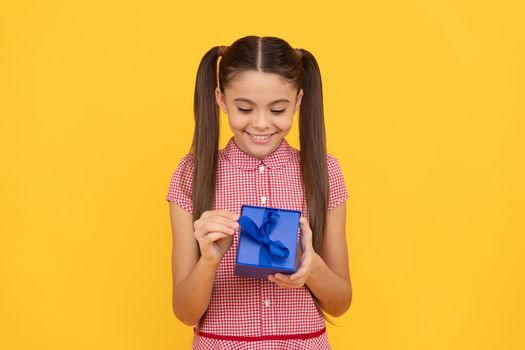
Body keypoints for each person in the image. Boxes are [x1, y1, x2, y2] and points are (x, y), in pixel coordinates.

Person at [166, 35, 352, 349]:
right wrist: (208, 261)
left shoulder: (325, 171)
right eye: (245, 108)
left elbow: (341, 302)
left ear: (298, 102)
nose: (262, 123)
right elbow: (185, 313)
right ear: (221, 99)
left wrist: (310, 265)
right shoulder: (191, 174)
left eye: (278, 109)